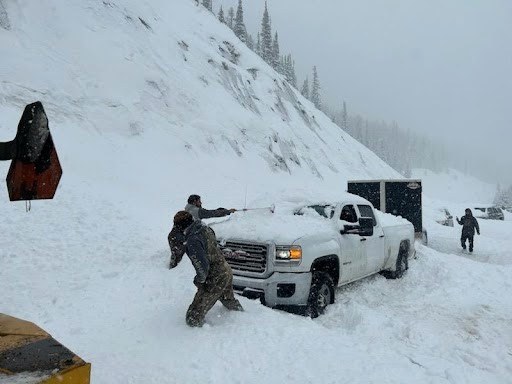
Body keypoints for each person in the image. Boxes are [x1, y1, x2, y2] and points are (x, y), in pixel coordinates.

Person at [168, 210, 243, 327]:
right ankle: (245, 319)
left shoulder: (192, 240)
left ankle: (202, 340)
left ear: (180, 226)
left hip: (215, 277)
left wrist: (199, 280)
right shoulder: (203, 227)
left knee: (192, 317)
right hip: (225, 269)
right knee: (228, 300)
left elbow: (202, 268)